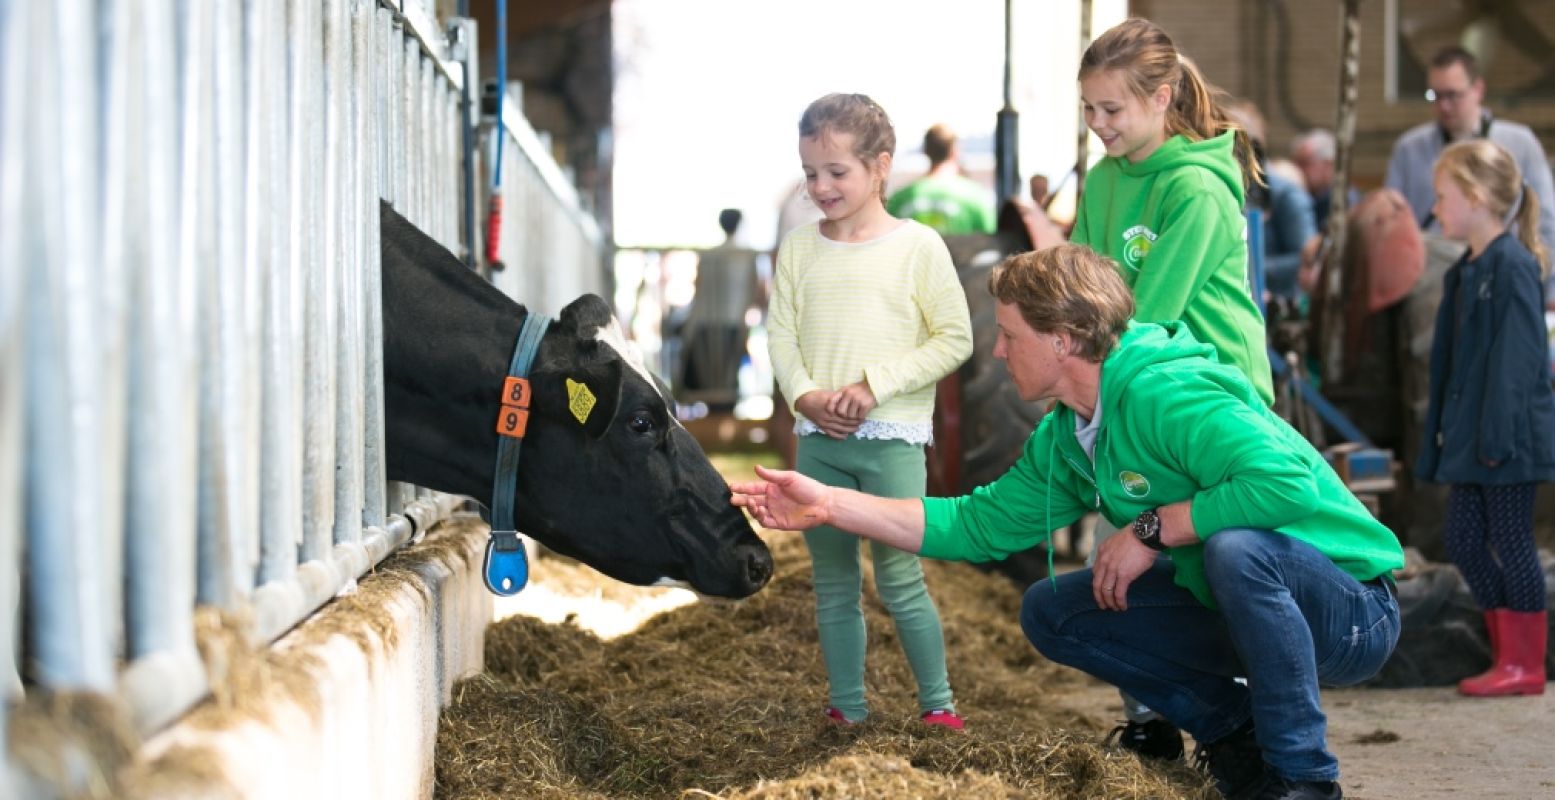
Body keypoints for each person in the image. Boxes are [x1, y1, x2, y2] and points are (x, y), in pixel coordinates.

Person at [735, 244, 1402, 800]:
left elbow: (1283, 481)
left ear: (1061, 340)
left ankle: (1302, 779)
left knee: (1234, 549)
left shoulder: (1163, 394)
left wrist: (1152, 529)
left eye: (1009, 336)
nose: (996, 354)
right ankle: (1237, 742)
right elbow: (978, 524)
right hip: (1248, 611)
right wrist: (827, 504)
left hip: (1348, 610)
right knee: (1055, 609)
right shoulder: (1067, 434)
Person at [1067, 16, 1275, 760]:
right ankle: (1153, 720)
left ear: (1159, 99)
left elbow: (1148, 315)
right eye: (1087, 109)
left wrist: (1083, 372)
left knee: (1218, 562)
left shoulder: (1197, 188)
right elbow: (1083, 285)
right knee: (1112, 547)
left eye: (1111, 110)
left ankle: (1246, 726)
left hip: (1212, 399)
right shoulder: (1102, 178)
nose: (1096, 125)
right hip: (1139, 389)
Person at [767, 92, 974, 729]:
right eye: (810, 174)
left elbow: (955, 337)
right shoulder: (800, 249)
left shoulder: (919, 247)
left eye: (836, 172)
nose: (820, 187)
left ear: (880, 167)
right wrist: (804, 395)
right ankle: (847, 709)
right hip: (820, 442)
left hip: (890, 442)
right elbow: (781, 336)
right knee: (833, 586)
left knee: (900, 580)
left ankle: (937, 705)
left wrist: (874, 384)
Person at [1415, 139, 1554, 697]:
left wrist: (1496, 436)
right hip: (1473, 439)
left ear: (1474, 198)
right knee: (1465, 540)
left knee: (1512, 540)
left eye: (1442, 196)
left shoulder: (1513, 266)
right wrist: (1439, 443)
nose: (1435, 208)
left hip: (1508, 440)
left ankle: (1526, 664)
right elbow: (1448, 363)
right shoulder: (1464, 271)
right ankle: (1508, 655)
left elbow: (1519, 362)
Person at [1384, 46, 1555, 297]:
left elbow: (1546, 221)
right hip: (1430, 286)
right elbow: (1391, 225)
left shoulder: (1520, 143)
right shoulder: (1408, 149)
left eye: (1453, 95)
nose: (1444, 106)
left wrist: (1549, 290)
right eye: (1435, 96)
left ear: (1478, 90)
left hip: (1504, 281)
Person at [1226, 100, 1318, 301]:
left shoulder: (1287, 196)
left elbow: (1306, 258)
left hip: (1281, 308)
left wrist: (1250, 268)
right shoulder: (1225, 190)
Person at [680, 208, 761, 411]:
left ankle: (713, 421)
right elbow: (755, 289)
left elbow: (698, 288)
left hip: (706, 323)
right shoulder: (747, 255)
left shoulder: (708, 255)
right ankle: (725, 421)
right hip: (733, 323)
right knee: (727, 379)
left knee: (708, 380)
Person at [886, 123, 996, 235]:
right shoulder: (976, 196)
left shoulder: (898, 199)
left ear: (926, 151)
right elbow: (992, 242)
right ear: (955, 151)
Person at [1290, 128, 1361, 233]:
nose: (1297, 170)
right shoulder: (1302, 196)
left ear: (1328, 165)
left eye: (1304, 163)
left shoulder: (1346, 201)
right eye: (1295, 163)